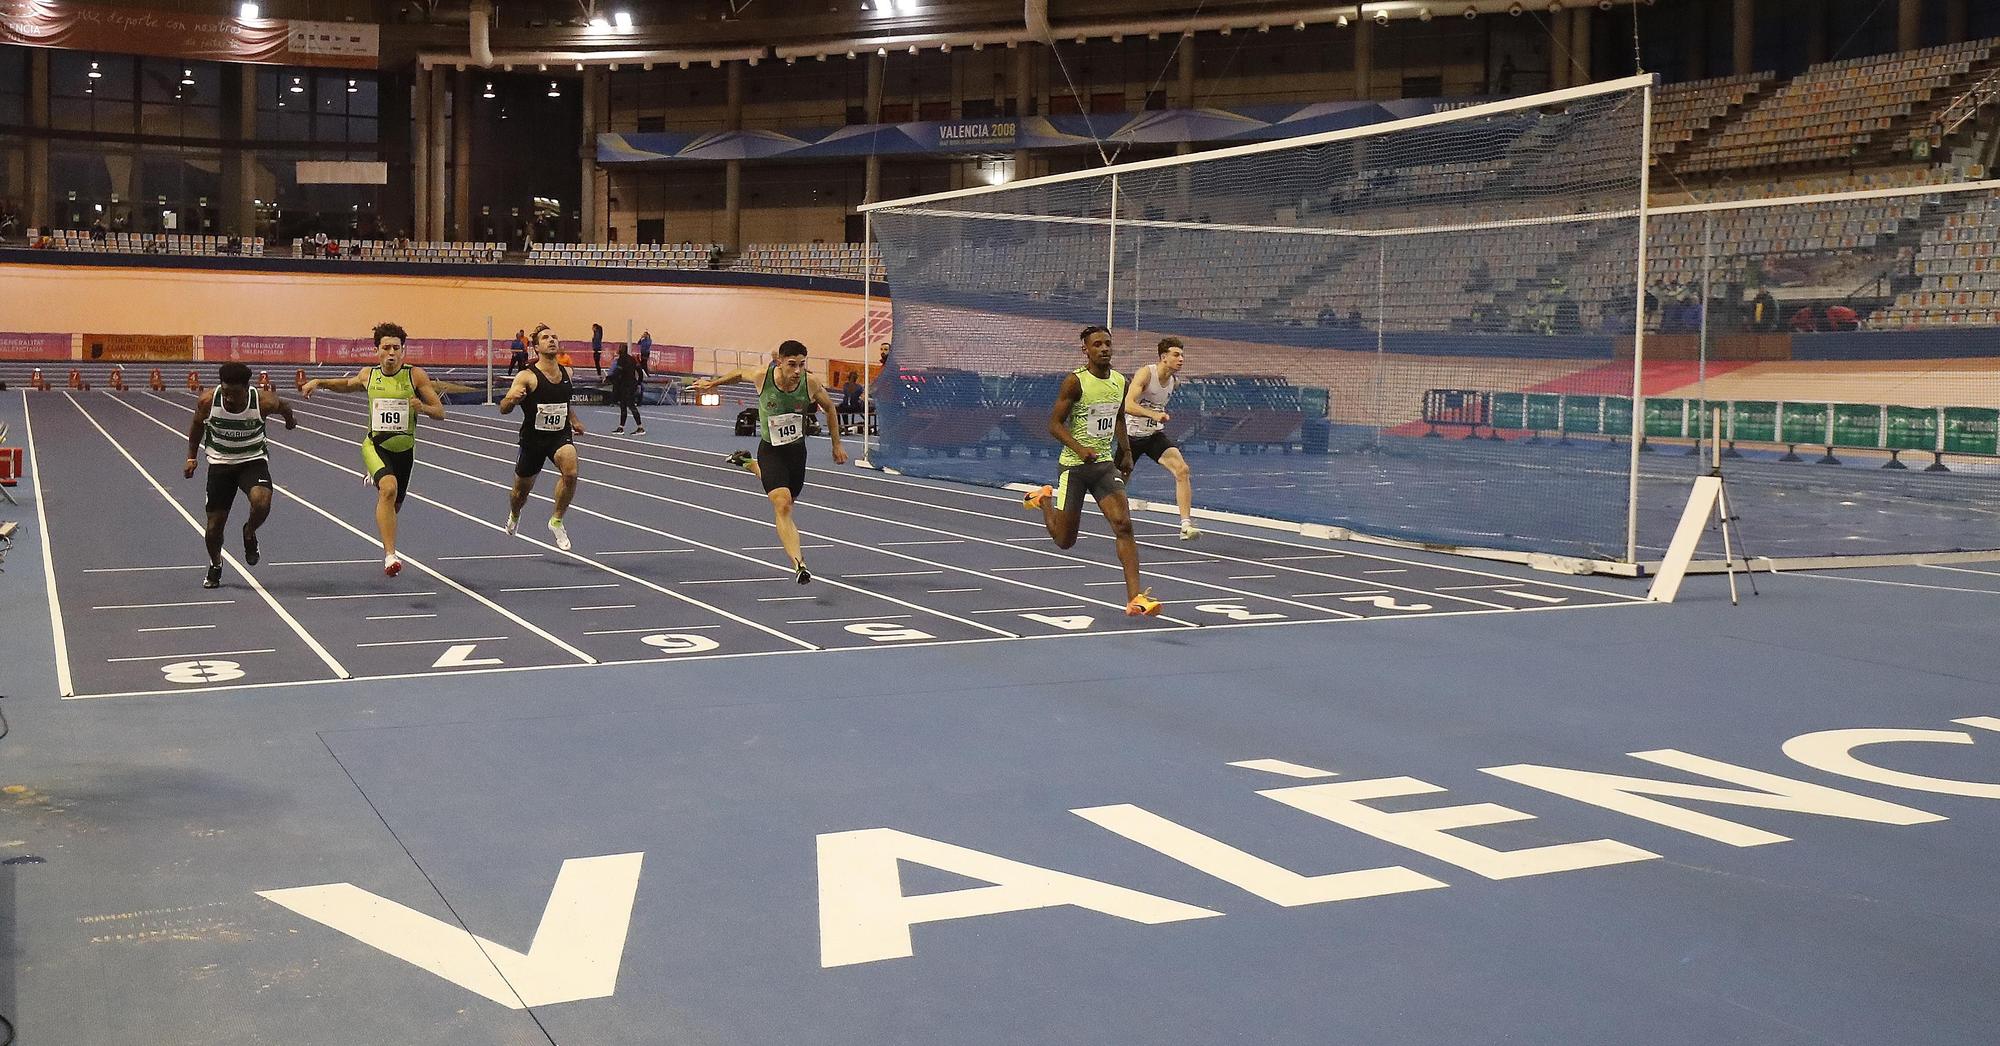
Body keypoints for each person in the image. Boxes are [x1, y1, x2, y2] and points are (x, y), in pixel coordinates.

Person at [1021, 326, 1160, 616]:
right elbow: (1054, 425)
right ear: (1085, 349)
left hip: (1104, 467)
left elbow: (1119, 417)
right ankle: (1044, 499)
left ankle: (1135, 597)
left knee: (1124, 525)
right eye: (1097, 345)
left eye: (1107, 344)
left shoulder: (1120, 381)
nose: (1104, 349)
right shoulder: (1075, 382)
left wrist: (1126, 453)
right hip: (1074, 468)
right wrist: (1079, 449)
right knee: (1064, 541)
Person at [690, 340, 847, 584]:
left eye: (802, 365)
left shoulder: (810, 383)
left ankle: (749, 464)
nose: (797, 371)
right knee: (783, 505)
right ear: (780, 362)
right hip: (771, 450)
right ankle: (799, 564)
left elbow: (830, 408)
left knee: (789, 497)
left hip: (796, 452)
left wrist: (836, 444)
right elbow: (740, 373)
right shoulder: (764, 377)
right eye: (792, 365)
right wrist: (714, 383)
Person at [299, 322, 447, 576]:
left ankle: (374, 476)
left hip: (405, 450)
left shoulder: (415, 376)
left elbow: (440, 413)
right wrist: (319, 381)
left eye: (396, 348)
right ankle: (390, 556)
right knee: (388, 490)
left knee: (394, 505)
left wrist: (422, 408)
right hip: (375, 444)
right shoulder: (369, 375)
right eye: (386, 347)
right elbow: (346, 385)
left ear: (403, 351)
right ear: (376, 350)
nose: (391, 353)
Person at [183, 361, 297, 589]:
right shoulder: (207, 401)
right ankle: (216, 564)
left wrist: (289, 421)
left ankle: (249, 531)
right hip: (220, 464)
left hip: (252, 460)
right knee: (214, 527)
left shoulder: (263, 401)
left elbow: (284, 406)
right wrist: (191, 457)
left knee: (262, 502)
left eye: (234, 393)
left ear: (247, 388)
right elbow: (197, 427)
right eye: (225, 392)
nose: (229, 398)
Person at [498, 324, 585, 550]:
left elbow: (564, 401)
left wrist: (573, 420)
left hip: (559, 437)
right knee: (520, 493)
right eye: (545, 338)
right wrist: (512, 399)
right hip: (533, 440)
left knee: (571, 471)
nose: (551, 340)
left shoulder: (568, 373)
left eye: (554, 337)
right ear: (536, 347)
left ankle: (556, 520)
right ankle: (515, 514)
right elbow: (503, 408)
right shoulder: (526, 376)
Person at [1122, 337, 1200, 541]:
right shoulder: (1146, 373)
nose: (1181, 359)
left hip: (1153, 435)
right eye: (1176, 355)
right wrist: (1153, 414)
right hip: (1130, 437)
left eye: (1182, 355)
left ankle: (1185, 526)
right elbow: (1128, 405)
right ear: (1163, 357)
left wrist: (1156, 418)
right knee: (1118, 482)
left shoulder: (1174, 381)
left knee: (1182, 470)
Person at [607, 343, 644, 435]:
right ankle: (621, 427)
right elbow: (639, 371)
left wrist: (609, 378)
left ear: (621, 350)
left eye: (619, 348)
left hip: (627, 385)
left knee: (630, 405)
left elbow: (618, 372)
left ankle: (640, 427)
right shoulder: (632, 359)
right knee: (623, 405)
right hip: (628, 385)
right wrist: (639, 381)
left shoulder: (622, 360)